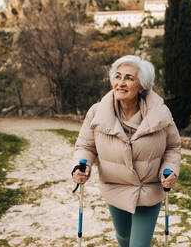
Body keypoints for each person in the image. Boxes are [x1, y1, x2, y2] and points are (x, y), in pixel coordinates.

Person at [72, 55, 181, 247]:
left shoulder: (161, 114)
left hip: (148, 189)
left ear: (142, 86)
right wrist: (81, 166)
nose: (120, 83)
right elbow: (85, 146)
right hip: (115, 186)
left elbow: (172, 147)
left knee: (138, 244)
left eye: (129, 78)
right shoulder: (97, 113)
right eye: (118, 77)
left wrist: (170, 170)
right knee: (123, 236)